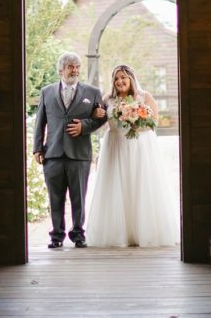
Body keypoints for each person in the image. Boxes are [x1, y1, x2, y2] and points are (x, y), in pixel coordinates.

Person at [85, 64, 178, 248]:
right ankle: (119, 234)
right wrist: (96, 113)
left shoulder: (145, 97)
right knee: (116, 187)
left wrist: (133, 118)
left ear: (131, 79)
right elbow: (99, 120)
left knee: (140, 186)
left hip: (140, 148)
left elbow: (153, 123)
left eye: (123, 78)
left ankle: (144, 232)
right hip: (115, 146)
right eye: (116, 78)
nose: (120, 81)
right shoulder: (107, 99)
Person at [33, 52, 107, 248]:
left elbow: (101, 118)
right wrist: (37, 149)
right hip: (53, 153)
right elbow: (40, 122)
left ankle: (78, 235)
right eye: (70, 67)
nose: (74, 70)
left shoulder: (92, 92)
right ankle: (57, 236)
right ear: (60, 71)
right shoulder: (46, 92)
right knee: (55, 197)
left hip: (79, 154)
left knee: (78, 197)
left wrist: (84, 126)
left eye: (77, 67)